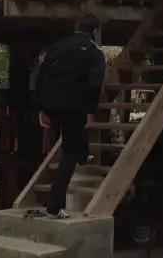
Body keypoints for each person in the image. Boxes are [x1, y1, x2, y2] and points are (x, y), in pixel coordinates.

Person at [35, 14, 106, 218]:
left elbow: (40, 78)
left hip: (51, 103)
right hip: (74, 105)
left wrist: (41, 108)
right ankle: (54, 205)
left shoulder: (56, 47)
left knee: (74, 134)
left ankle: (84, 154)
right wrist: (90, 110)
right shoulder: (94, 51)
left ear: (76, 26)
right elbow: (94, 84)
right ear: (94, 32)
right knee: (69, 154)